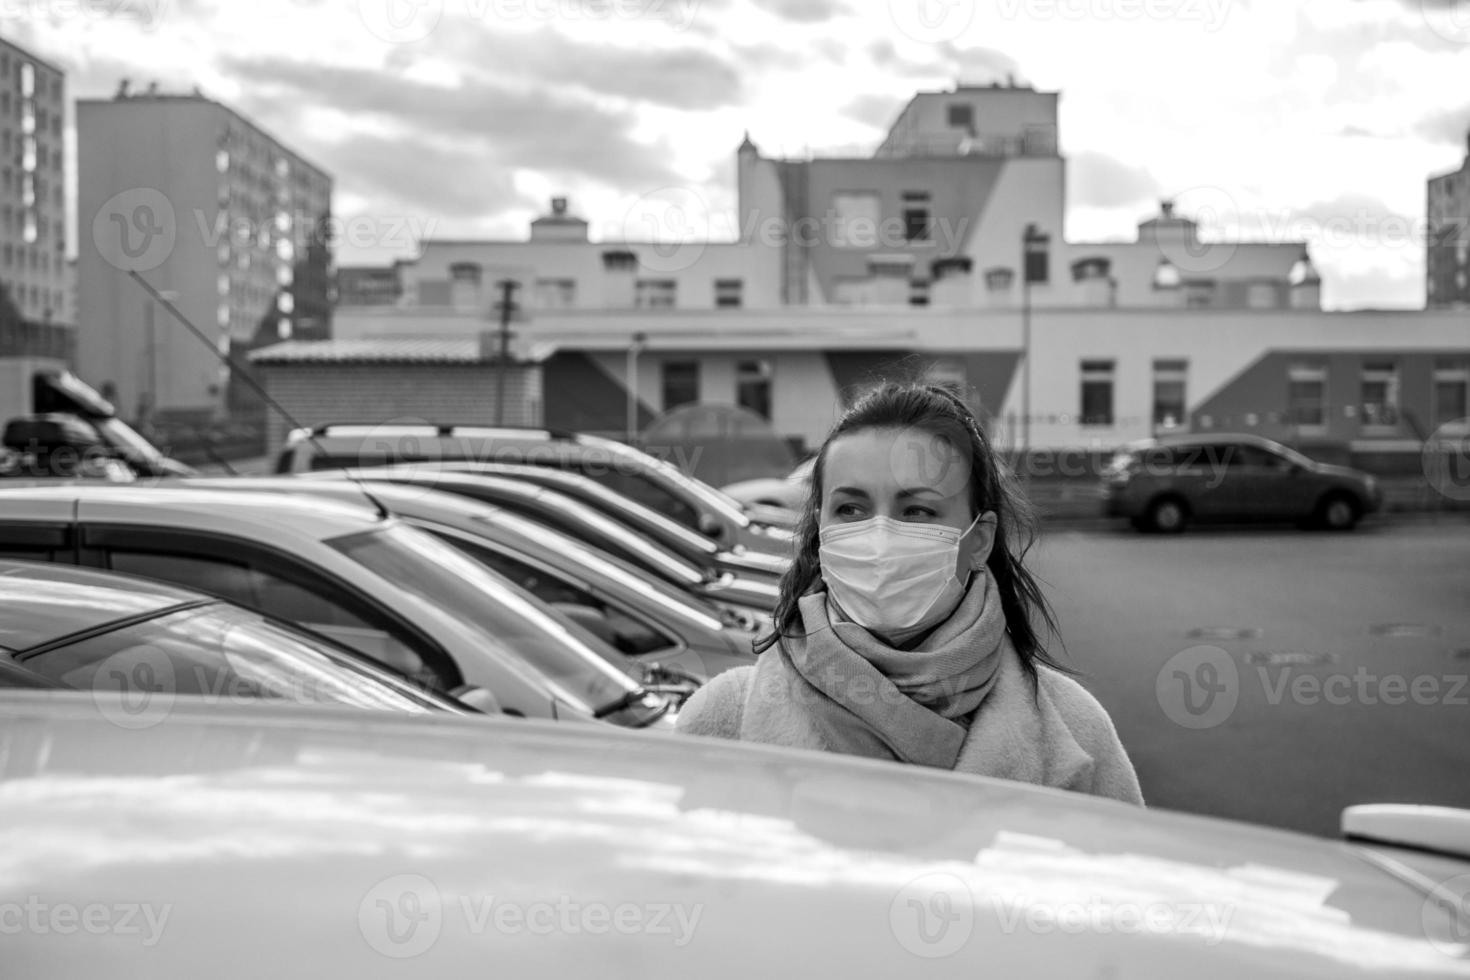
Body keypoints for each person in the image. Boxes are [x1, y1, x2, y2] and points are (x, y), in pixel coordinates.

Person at [676, 381, 1144, 806]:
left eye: (917, 509)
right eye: (851, 508)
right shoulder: (723, 720)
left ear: (978, 541)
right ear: (820, 533)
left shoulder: (1076, 730)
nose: (879, 535)